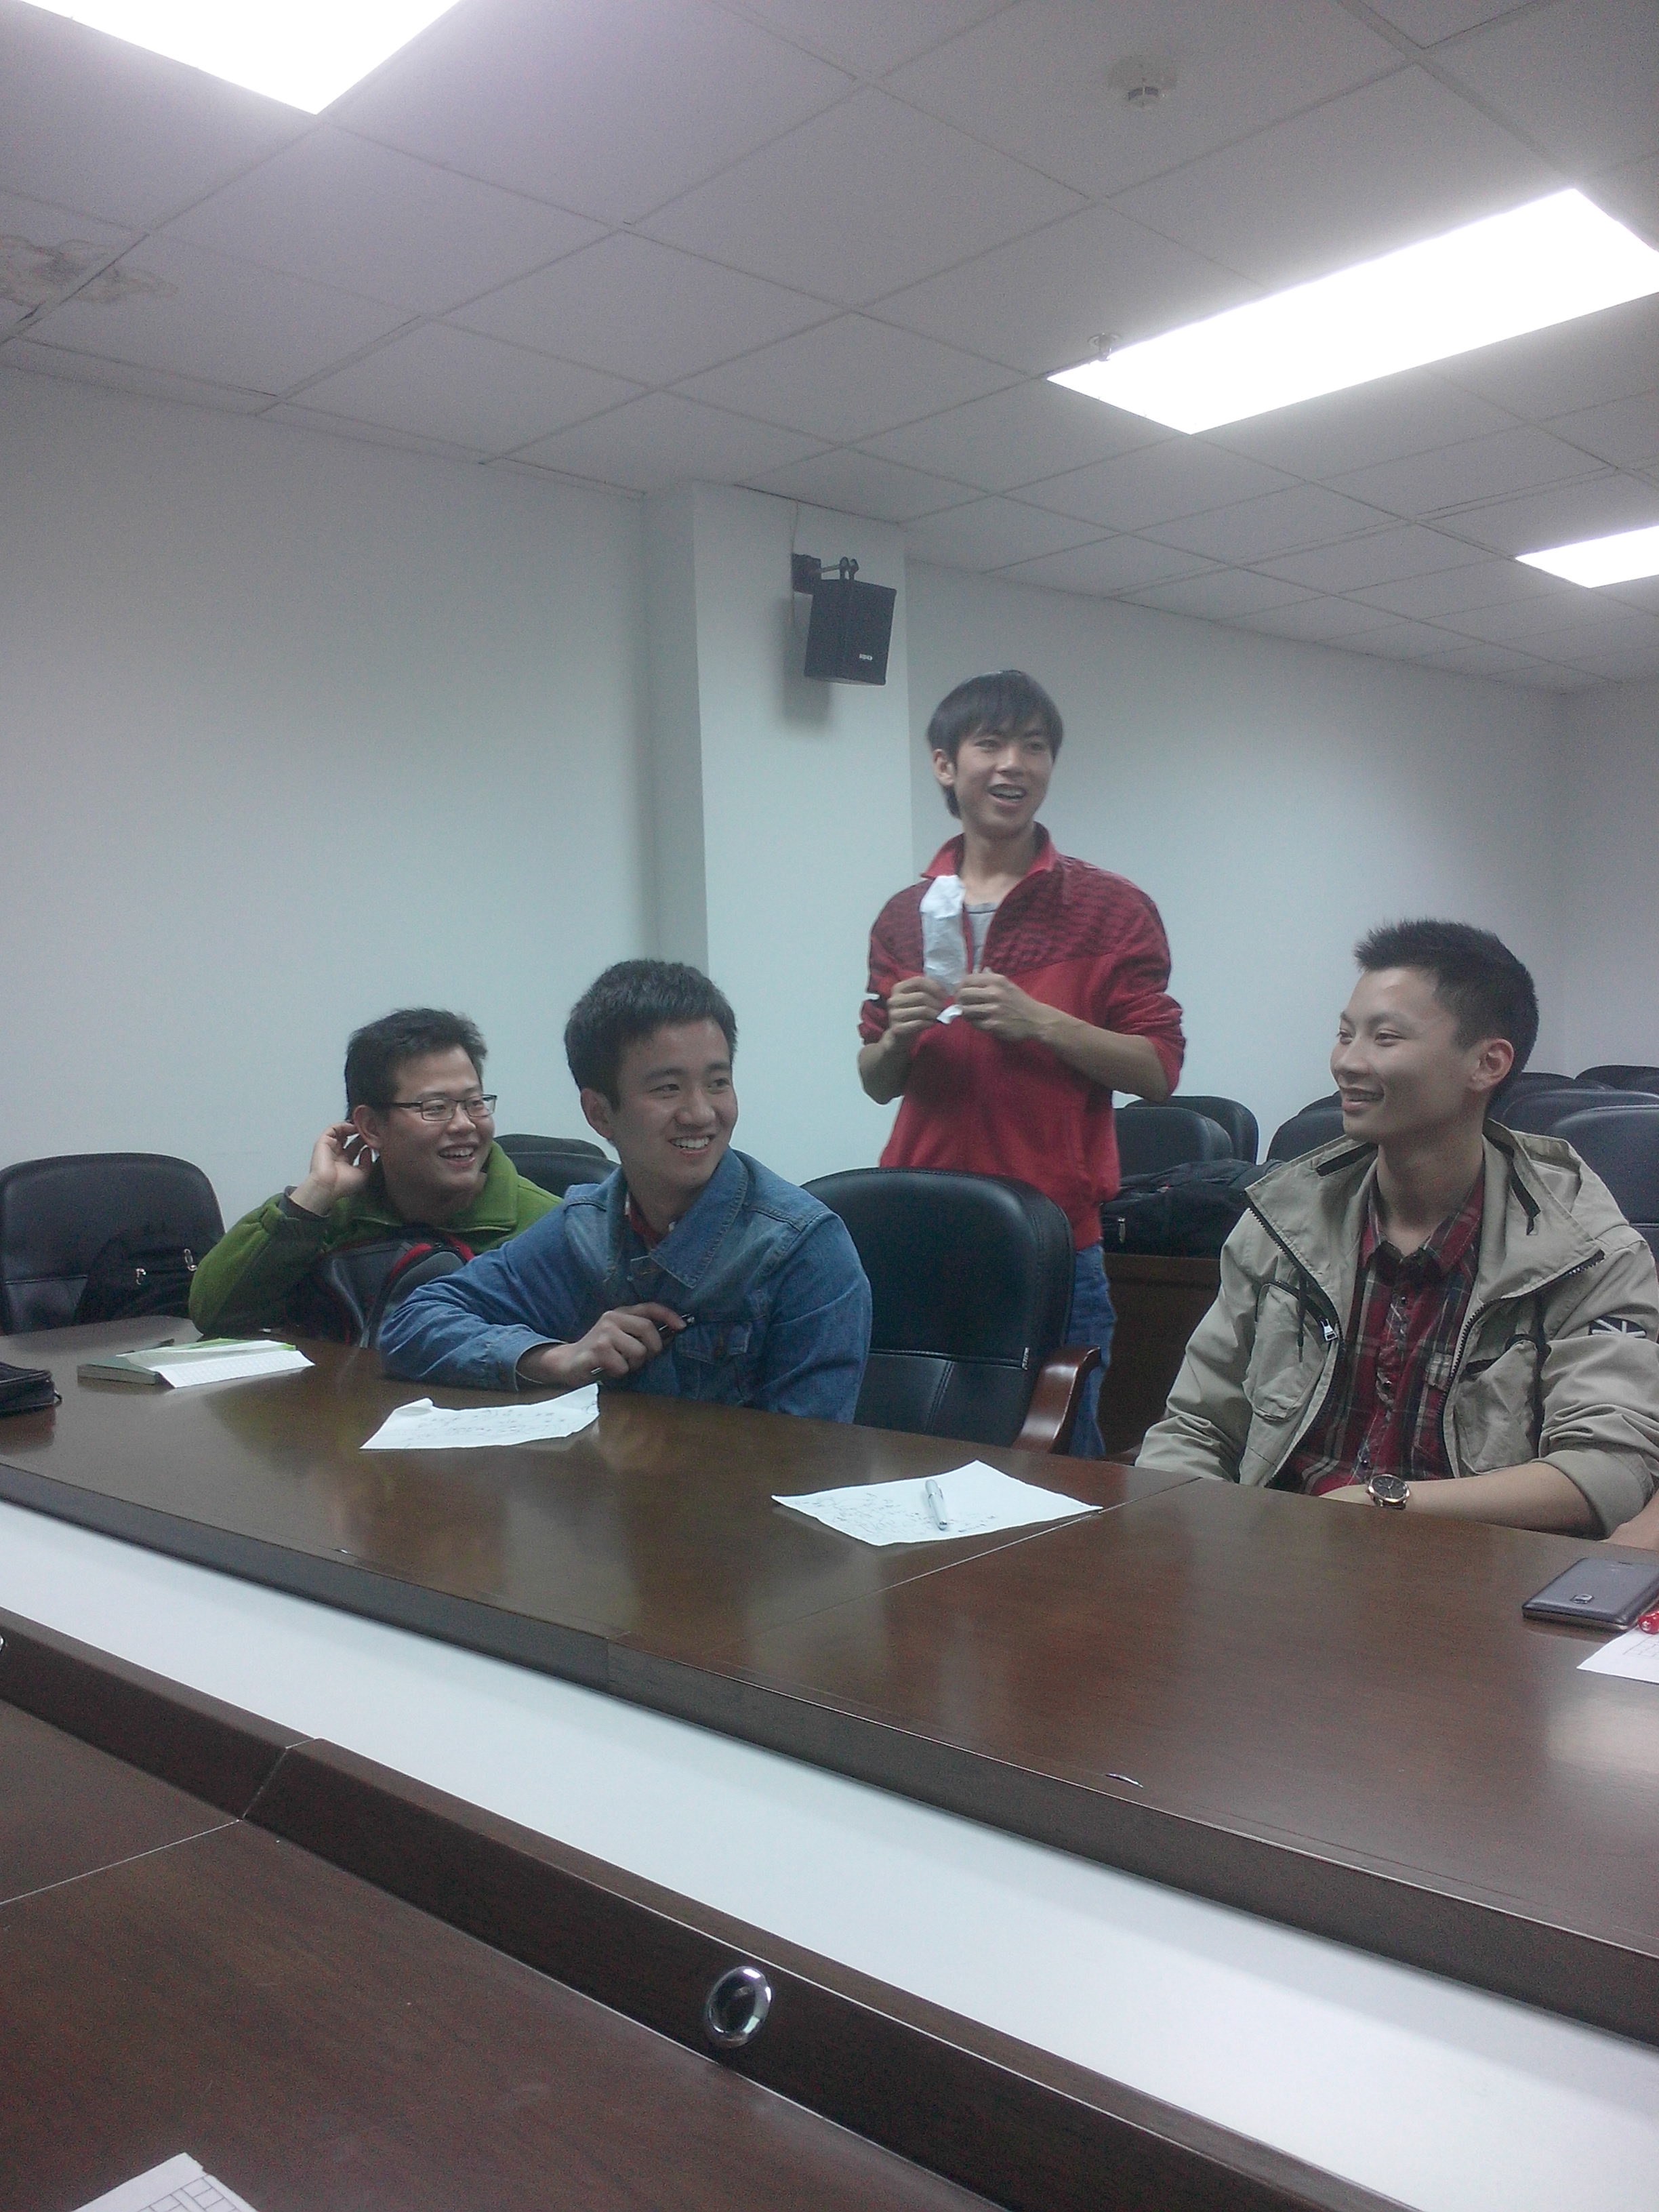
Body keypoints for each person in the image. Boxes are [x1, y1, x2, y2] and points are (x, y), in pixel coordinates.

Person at [1138, 922, 1659, 1534]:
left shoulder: (1584, 1249)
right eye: (1344, 1034)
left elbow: (1606, 1470)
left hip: (1474, 1570)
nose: (1347, 1062)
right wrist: (1176, 1542)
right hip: (1273, 1555)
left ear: (1487, 1063)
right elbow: (1197, 1427)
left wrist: (1381, 1505)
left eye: (1384, 1038)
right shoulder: (1284, 1220)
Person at [859, 669, 1185, 1456]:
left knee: (1061, 1465)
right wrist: (897, 1038)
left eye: (1034, 747)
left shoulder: (1110, 908)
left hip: (1053, 1239)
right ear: (946, 765)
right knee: (909, 1452)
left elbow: (1157, 1069)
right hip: (925, 1227)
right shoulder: (905, 916)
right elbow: (875, 1082)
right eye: (991, 744)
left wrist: (1038, 1021)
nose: (1014, 764)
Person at [381, 960, 872, 1419]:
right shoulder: (585, 1228)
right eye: (667, 1089)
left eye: (718, 1083)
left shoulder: (802, 1250)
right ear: (599, 1113)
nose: (701, 1113)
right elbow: (413, 1323)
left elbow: (808, 1458)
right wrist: (555, 1359)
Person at [190, 1008, 556, 1338]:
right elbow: (214, 1314)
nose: (464, 1124)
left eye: (475, 1103)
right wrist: (314, 1196)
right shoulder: (329, 1216)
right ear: (371, 1127)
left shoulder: (552, 1226)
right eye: (435, 1107)